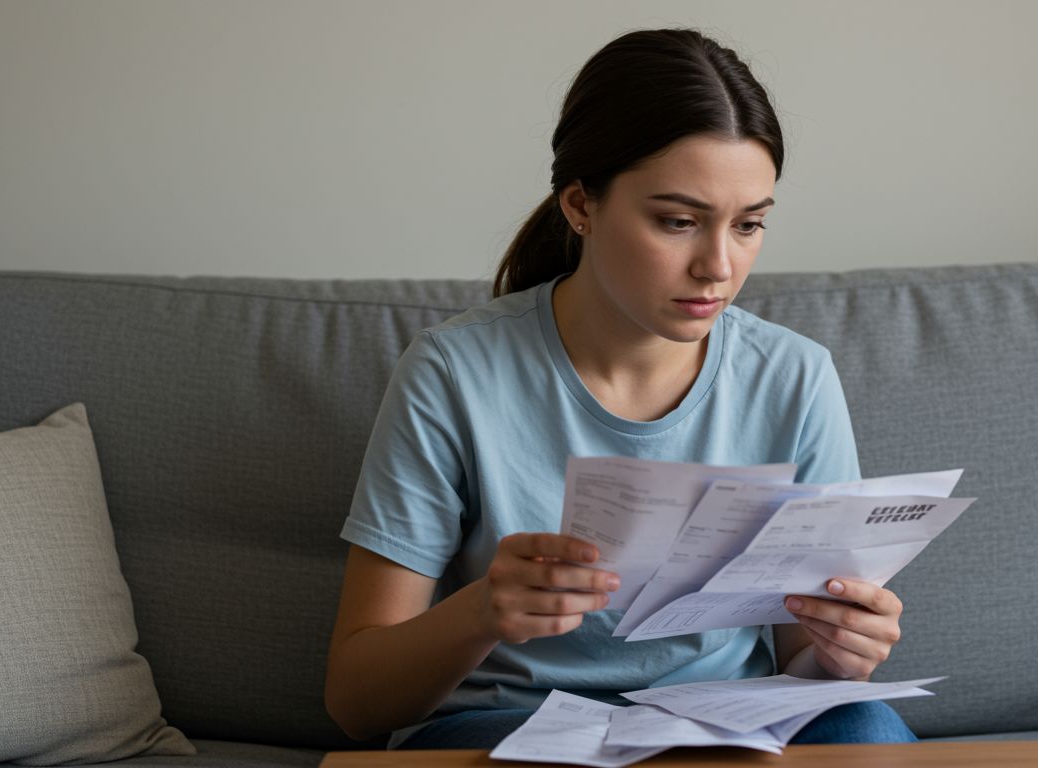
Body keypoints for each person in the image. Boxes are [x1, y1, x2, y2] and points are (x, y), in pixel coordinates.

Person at [325, 27, 915, 749]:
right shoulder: (454, 372)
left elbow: (800, 655)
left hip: (724, 728)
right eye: (677, 222)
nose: (719, 267)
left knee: (867, 725)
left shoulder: (794, 375)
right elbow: (355, 702)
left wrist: (839, 649)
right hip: (510, 729)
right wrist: (484, 611)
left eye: (750, 224)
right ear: (581, 205)